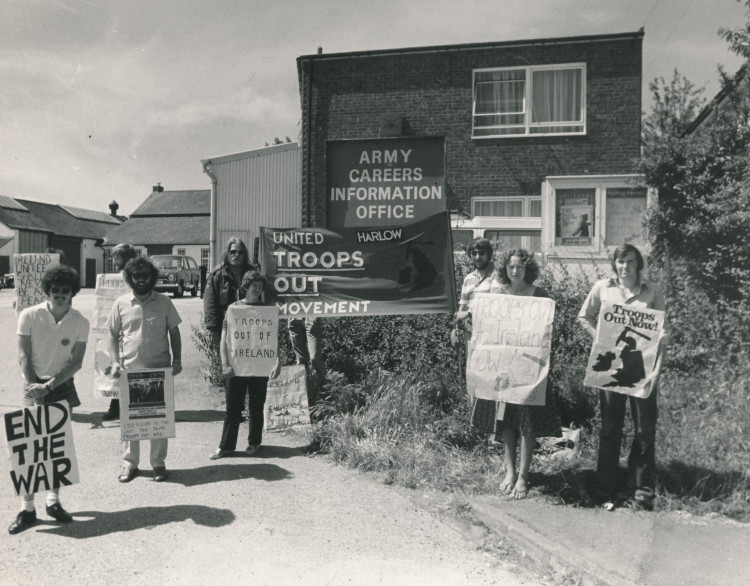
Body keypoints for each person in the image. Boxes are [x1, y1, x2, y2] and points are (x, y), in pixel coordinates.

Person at [578, 243, 667, 510]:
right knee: (610, 428)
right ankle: (605, 485)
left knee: (643, 429)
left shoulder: (652, 291)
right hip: (611, 369)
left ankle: (642, 489)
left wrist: (664, 337)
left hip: (641, 369)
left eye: (629, 261)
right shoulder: (603, 288)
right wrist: (601, 341)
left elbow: (661, 329)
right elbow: (584, 317)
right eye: (620, 261)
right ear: (614, 264)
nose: (625, 266)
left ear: (638, 264)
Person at [10, 265, 89, 534]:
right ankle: (27, 509)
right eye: (55, 290)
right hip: (32, 383)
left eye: (65, 291)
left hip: (61, 386)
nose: (59, 294)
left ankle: (53, 502)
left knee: (57, 446)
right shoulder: (29, 315)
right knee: (30, 447)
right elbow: (23, 355)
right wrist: (35, 386)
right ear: (48, 290)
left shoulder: (81, 322)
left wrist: (51, 385)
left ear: (72, 293)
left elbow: (76, 363)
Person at [475, 249, 560, 499]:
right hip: (504, 371)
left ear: (527, 269)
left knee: (527, 425)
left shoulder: (540, 295)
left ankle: (524, 475)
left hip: (529, 371)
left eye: (519, 267)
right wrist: (467, 315)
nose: (515, 271)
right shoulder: (498, 295)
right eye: (511, 267)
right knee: (507, 424)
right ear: (505, 268)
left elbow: (546, 332)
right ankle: (510, 471)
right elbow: (486, 324)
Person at [108, 257, 182, 483]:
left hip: (158, 371)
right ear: (130, 278)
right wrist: (115, 361)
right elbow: (112, 334)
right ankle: (130, 464)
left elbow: (174, 333)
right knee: (132, 423)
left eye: (145, 276)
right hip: (131, 371)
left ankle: (158, 464)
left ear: (152, 277)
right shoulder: (121, 303)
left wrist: (177, 359)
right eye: (136, 276)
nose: (141, 280)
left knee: (159, 421)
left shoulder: (164, 302)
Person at [210, 270, 280, 459]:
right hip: (237, 366)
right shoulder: (233, 309)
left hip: (260, 366)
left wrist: (277, 361)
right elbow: (224, 339)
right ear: (246, 286)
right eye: (253, 285)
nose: (257, 289)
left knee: (257, 406)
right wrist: (225, 363)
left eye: (260, 286)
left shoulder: (267, 309)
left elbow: (273, 339)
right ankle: (226, 446)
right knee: (233, 407)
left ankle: (254, 442)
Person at [101, 243, 139, 422]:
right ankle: (115, 406)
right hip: (115, 327)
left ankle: (132, 405)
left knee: (132, 366)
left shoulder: (137, 275)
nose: (113, 260)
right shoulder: (115, 278)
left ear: (125, 257)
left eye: (116, 257)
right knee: (115, 366)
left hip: (132, 327)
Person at [204, 238, 253, 354]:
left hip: (250, 331)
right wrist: (216, 339)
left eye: (241, 252)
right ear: (227, 253)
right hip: (225, 332)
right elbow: (210, 309)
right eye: (233, 252)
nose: (237, 255)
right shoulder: (216, 276)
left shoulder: (252, 274)